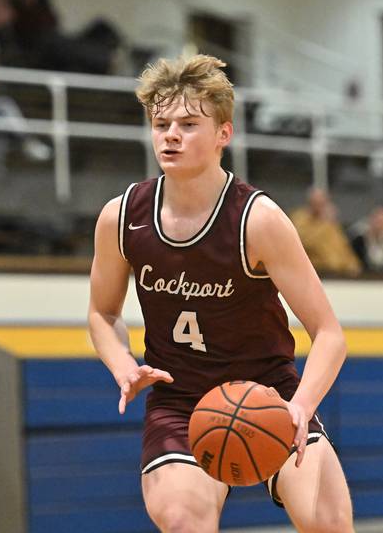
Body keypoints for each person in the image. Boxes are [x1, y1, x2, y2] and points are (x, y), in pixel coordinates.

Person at [88, 55, 354, 532]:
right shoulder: (121, 216)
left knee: (328, 521)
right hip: (181, 401)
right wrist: (123, 365)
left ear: (223, 135)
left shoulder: (258, 219)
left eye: (188, 124)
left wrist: (299, 408)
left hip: (271, 393)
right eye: (161, 123)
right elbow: (102, 312)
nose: (171, 134)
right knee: (181, 519)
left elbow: (329, 333)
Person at [289, 187, 362, 276]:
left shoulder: (331, 224)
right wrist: (324, 223)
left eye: (322, 203)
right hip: (316, 272)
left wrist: (353, 264)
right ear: (310, 202)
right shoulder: (299, 218)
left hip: (339, 273)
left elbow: (343, 246)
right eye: (316, 203)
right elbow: (303, 242)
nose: (319, 206)